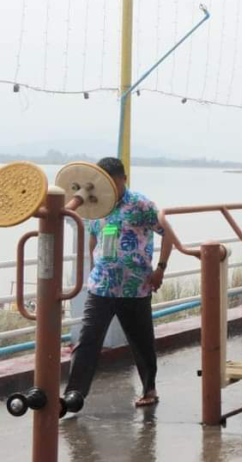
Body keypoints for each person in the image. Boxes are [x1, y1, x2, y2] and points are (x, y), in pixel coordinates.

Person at [64, 157, 169, 409]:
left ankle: (149, 390)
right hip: (101, 287)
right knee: (87, 340)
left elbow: (168, 235)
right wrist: (94, 267)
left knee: (141, 342)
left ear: (124, 179)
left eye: (114, 181)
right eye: (104, 182)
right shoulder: (96, 205)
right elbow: (93, 237)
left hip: (135, 288)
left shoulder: (141, 203)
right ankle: (73, 396)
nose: (109, 187)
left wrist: (161, 270)